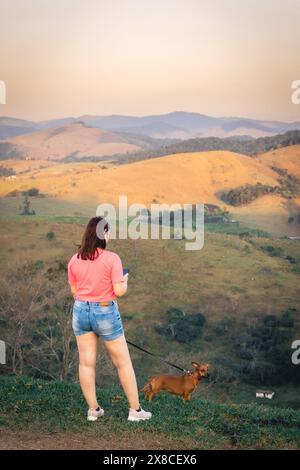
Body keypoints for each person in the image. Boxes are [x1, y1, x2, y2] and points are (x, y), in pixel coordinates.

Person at [67, 216, 152, 422]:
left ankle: (93, 410)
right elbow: (119, 291)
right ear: (103, 234)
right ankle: (135, 411)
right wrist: (124, 280)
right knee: (123, 363)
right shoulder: (112, 258)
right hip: (104, 311)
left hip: (80, 311)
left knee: (86, 364)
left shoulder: (75, 259)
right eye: (108, 231)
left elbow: (74, 291)